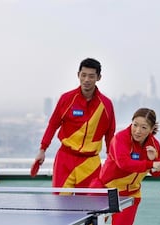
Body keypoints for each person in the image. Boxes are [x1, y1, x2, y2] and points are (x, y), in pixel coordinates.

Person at [35, 57, 116, 190]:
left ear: (99, 77)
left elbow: (110, 133)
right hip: (65, 159)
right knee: (60, 205)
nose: (86, 80)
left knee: (88, 207)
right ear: (78, 75)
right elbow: (53, 124)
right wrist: (42, 149)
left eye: (91, 76)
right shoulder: (67, 99)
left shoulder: (106, 105)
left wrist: (111, 159)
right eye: (83, 75)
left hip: (90, 163)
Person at [89, 107, 160, 225]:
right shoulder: (120, 138)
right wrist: (151, 163)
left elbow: (157, 173)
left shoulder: (154, 144)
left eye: (144, 127)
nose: (137, 131)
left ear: (151, 129)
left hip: (130, 195)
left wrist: (154, 159)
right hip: (105, 191)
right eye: (135, 125)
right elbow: (124, 164)